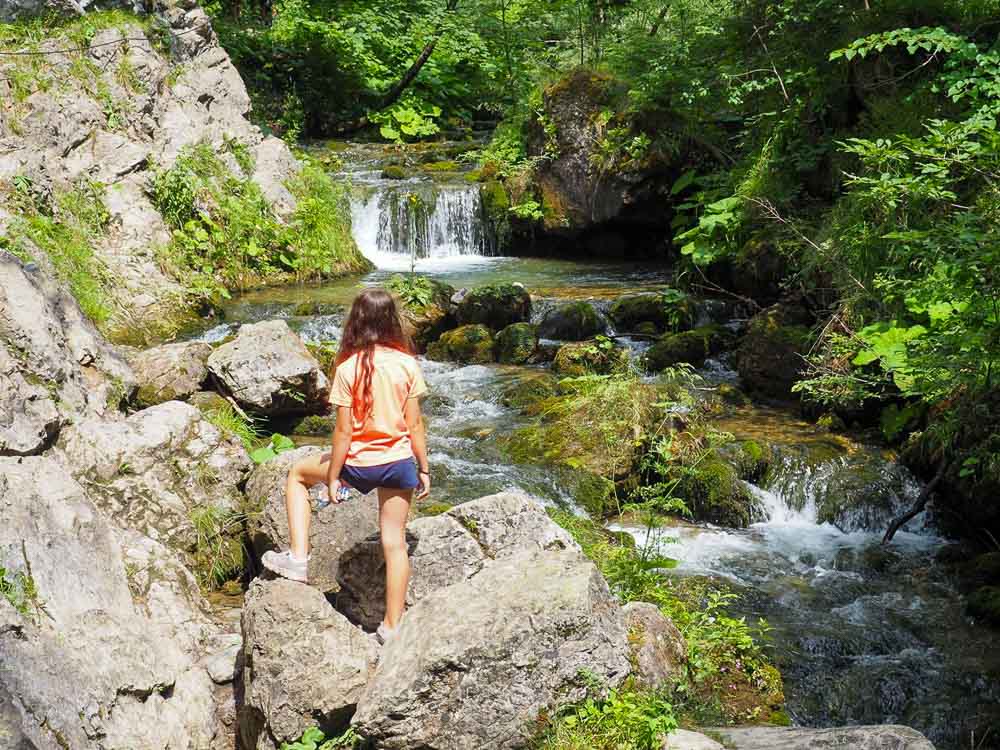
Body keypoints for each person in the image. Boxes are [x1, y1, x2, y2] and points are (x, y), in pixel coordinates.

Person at [262, 287, 431, 644]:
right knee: (395, 542)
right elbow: (415, 425)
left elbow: (343, 431)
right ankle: (392, 626)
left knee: (296, 475)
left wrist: (335, 476)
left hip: (357, 465)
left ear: (356, 321)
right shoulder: (407, 365)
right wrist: (424, 468)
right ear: (392, 323)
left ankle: (297, 557)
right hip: (399, 463)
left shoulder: (348, 368)